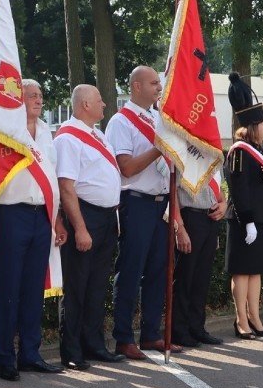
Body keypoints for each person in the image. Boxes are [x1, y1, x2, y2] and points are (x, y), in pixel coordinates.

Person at [0, 79, 67, 381]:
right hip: (12, 214)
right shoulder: (6, 133)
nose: (37, 100)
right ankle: (4, 357)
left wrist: (57, 218)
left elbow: (51, 179)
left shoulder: (47, 132)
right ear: (16, 99)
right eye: (31, 95)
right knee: (9, 288)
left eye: (40, 95)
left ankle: (31, 354)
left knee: (34, 288)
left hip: (42, 216)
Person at [105, 66, 182, 359]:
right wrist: (159, 150)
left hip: (160, 203)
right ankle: (123, 337)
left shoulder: (157, 118)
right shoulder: (120, 122)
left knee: (158, 272)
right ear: (136, 86)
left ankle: (151, 334)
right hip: (135, 202)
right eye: (153, 83)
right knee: (131, 270)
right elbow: (125, 167)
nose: (158, 88)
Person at [54, 84, 125, 370]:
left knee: (96, 286)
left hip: (106, 218)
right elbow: (67, 187)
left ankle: (94, 344)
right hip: (85, 216)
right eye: (99, 100)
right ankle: (72, 350)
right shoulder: (68, 138)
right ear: (85, 104)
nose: (104, 104)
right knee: (77, 286)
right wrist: (80, 228)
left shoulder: (98, 135)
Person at [224, 73, 263, 339]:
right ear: (253, 127)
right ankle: (241, 319)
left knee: (255, 271)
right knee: (242, 272)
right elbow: (239, 189)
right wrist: (247, 221)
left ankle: (256, 317)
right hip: (244, 221)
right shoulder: (240, 152)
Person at [172, 171, 226, 347]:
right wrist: (179, 227)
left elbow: (220, 189)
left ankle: (197, 328)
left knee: (202, 278)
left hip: (210, 218)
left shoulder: (214, 153)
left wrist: (224, 204)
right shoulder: (185, 152)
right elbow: (173, 190)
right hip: (190, 216)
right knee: (184, 277)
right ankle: (179, 331)